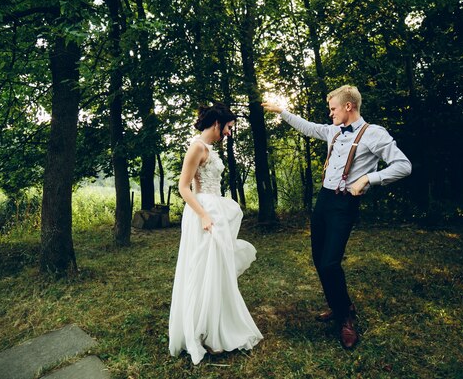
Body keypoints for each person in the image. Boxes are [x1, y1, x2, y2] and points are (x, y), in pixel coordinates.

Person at [262, 85, 411, 349]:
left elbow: (403, 166)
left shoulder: (374, 134)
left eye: (333, 109)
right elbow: (307, 127)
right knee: (319, 259)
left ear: (348, 107)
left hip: (345, 205)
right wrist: (282, 111)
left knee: (330, 262)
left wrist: (369, 178)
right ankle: (338, 303)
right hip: (324, 201)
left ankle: (345, 318)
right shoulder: (333, 131)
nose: (330, 114)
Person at [168, 102, 263, 365]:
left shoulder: (209, 149)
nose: (229, 133)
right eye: (229, 128)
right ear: (217, 124)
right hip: (201, 214)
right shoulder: (196, 147)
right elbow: (184, 187)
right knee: (202, 269)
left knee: (217, 268)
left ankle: (215, 329)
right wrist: (204, 216)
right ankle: (202, 333)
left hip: (214, 209)